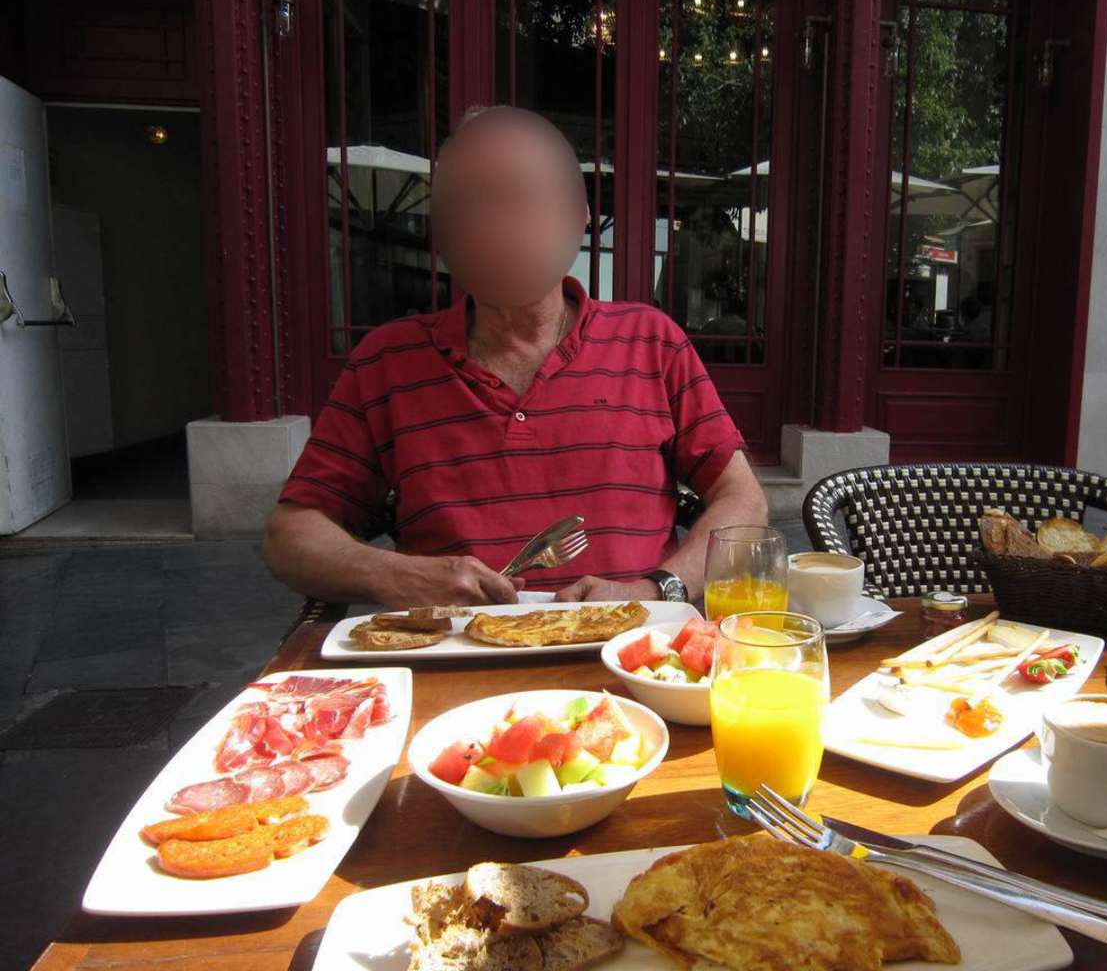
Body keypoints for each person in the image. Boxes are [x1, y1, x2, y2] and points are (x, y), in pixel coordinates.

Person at [263, 106, 767, 608]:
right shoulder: (387, 362)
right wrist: (393, 574)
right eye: (466, 205)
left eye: (519, 198)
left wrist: (654, 590)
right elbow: (291, 535)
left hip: (630, 647)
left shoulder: (651, 342)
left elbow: (744, 501)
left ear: (579, 213)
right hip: (454, 649)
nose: (493, 225)